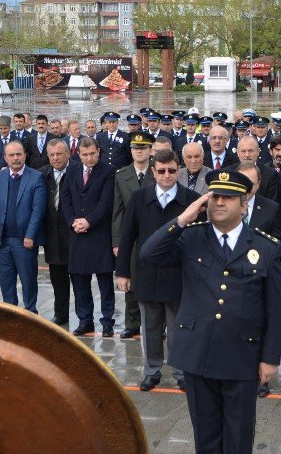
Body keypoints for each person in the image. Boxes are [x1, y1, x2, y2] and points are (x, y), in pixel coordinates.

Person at [139, 169, 281, 454]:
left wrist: (269, 358)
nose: (218, 202)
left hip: (241, 354)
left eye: (227, 197)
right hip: (198, 352)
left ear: (244, 203)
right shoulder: (192, 238)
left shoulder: (264, 246)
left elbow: (276, 309)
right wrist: (184, 216)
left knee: (238, 430)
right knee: (205, 428)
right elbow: (148, 253)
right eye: (213, 196)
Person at [117, 149, 199, 391]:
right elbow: (127, 237)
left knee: (178, 330)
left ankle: (181, 372)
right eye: (161, 171)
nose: (166, 175)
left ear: (178, 170)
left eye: (172, 170)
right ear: (153, 172)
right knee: (150, 328)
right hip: (147, 275)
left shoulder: (190, 200)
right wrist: (122, 273)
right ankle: (152, 372)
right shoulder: (139, 198)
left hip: (177, 276)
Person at [64, 136, 115, 336]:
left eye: (92, 154)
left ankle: (107, 320)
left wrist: (89, 221)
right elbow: (66, 199)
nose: (89, 158)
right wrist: (72, 222)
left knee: (104, 281)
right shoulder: (72, 170)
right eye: (85, 155)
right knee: (79, 281)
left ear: (98, 152)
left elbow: (106, 202)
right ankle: (85, 319)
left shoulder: (108, 171)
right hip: (77, 233)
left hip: (99, 233)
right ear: (79, 154)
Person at [0, 139, 46, 313]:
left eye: (18, 154)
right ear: (5, 158)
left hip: (24, 241)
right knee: (6, 280)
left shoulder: (36, 177)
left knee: (28, 280)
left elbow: (38, 210)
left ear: (25, 155)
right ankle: (9, 314)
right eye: (11, 155)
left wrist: (30, 235)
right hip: (3, 240)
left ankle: (30, 312)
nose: (15, 158)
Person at [111, 132, 154, 339]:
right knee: (129, 279)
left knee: (152, 278)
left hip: (153, 232)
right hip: (131, 234)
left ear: (150, 150)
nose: (139, 151)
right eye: (136, 148)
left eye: (143, 148)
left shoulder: (158, 173)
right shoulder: (121, 174)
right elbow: (117, 210)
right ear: (130, 150)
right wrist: (117, 241)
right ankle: (132, 322)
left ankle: (154, 322)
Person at [39, 139, 72, 326]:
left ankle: (85, 316)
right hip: (52, 236)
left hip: (74, 235)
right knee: (57, 279)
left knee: (79, 279)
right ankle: (61, 314)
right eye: (52, 155)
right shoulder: (42, 175)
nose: (56, 158)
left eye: (59, 153)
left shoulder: (76, 172)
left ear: (67, 153)